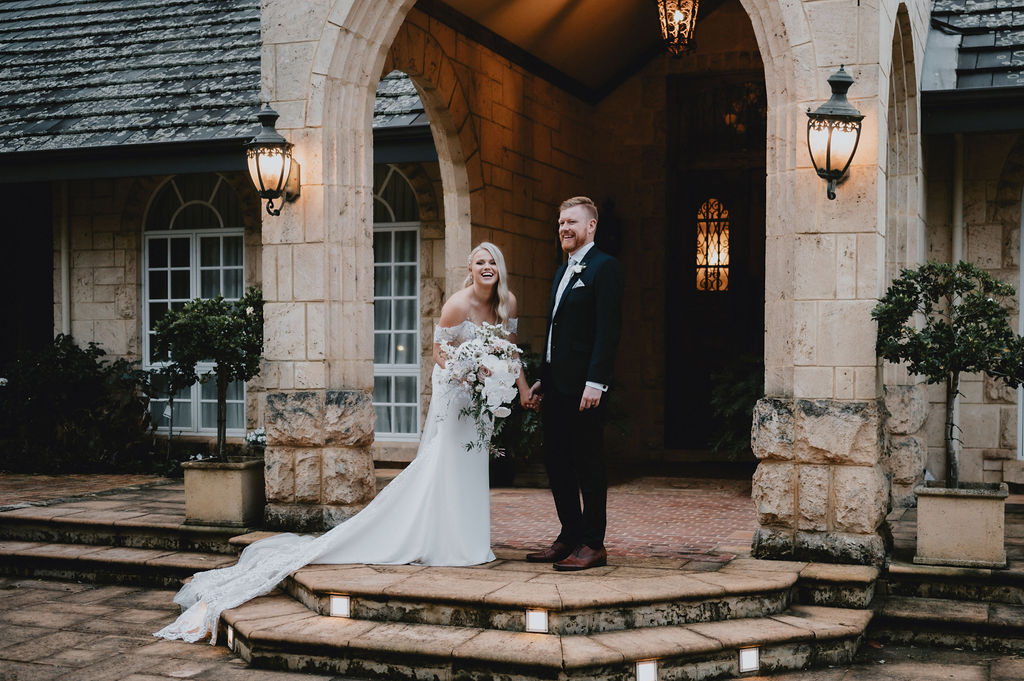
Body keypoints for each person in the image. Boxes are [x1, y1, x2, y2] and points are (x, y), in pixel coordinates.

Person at [155, 242, 535, 643]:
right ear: (470, 269)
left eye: (493, 261)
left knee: (473, 466)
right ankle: (446, 544)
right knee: (445, 464)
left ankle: (471, 543)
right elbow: (439, 352)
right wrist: (467, 372)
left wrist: (521, 390)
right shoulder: (457, 305)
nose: (487, 266)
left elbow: (509, 353)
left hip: (480, 400)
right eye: (480, 261)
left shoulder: (507, 301)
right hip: (456, 393)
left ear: (500, 268)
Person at [526, 196, 623, 571]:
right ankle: (569, 536)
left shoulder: (605, 268)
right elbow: (556, 335)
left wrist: (596, 381)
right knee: (557, 462)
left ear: (591, 226)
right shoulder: (561, 271)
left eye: (572, 222)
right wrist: (542, 380)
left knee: (588, 463)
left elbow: (607, 331)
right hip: (557, 386)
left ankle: (593, 544)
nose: (565, 228)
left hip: (586, 389)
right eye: (561, 222)